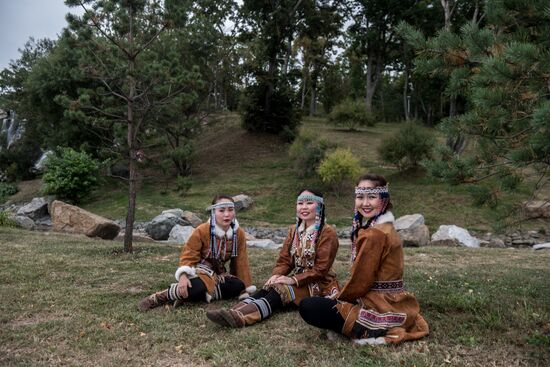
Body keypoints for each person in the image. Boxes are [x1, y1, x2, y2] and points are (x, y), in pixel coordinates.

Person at [299, 174, 429, 345]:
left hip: (379, 304)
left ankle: (372, 329)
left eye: (372, 197)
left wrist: (339, 298)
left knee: (309, 306)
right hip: (395, 301)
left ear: (383, 199)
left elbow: (361, 281)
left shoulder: (376, 234)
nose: (365, 203)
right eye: (360, 197)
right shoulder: (385, 228)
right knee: (325, 299)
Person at [206, 189, 339, 328]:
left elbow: (321, 269)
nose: (304, 207)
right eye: (300, 203)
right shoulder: (294, 230)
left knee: (280, 291)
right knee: (268, 287)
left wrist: (292, 279)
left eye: (309, 203)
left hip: (319, 282)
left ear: (319, 206)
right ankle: (231, 312)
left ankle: (241, 318)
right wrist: (277, 275)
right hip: (300, 277)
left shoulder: (327, 233)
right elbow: (285, 260)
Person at [138, 195, 255, 311]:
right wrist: (183, 276)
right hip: (198, 271)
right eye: (222, 210)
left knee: (238, 286)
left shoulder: (238, 233)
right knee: (198, 287)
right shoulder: (202, 230)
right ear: (214, 212)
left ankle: (191, 295)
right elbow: (189, 253)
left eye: (230, 210)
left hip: (219, 274)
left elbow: (240, 260)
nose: (227, 214)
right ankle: (159, 297)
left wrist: (245, 287)